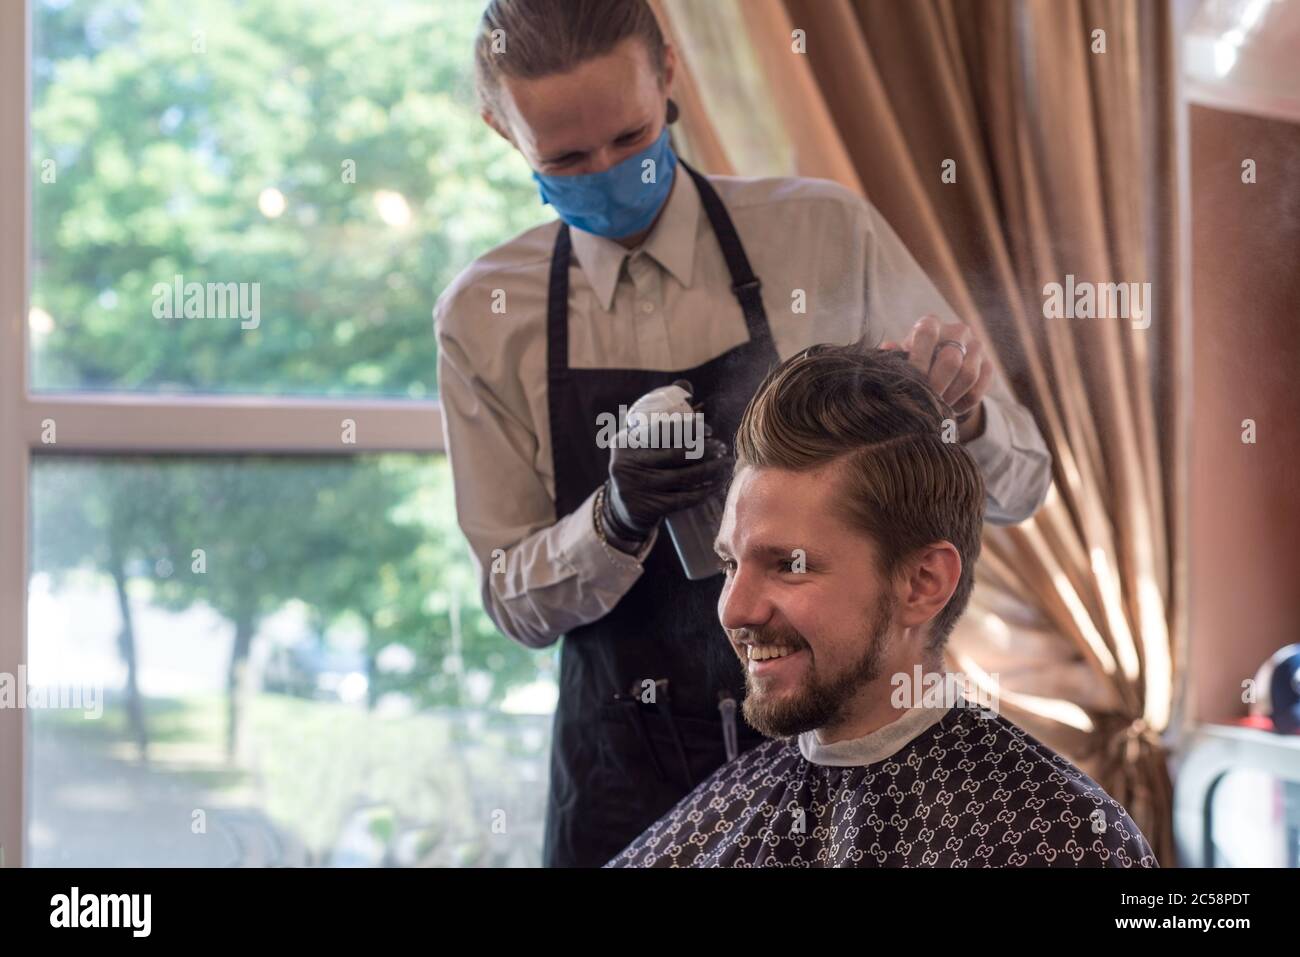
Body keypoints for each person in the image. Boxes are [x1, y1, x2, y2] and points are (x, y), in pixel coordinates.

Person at [435, 0, 1053, 867]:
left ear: (670, 75)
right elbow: (513, 599)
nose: (609, 169)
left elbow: (1021, 482)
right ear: (504, 130)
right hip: (619, 768)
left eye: (630, 134)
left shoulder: (822, 235)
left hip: (839, 755)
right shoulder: (485, 317)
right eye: (568, 158)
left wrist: (963, 410)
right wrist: (612, 521)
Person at [607, 345, 1156, 867]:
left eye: (789, 566)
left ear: (922, 583)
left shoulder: (1058, 834)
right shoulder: (721, 810)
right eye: (730, 565)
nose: (735, 610)